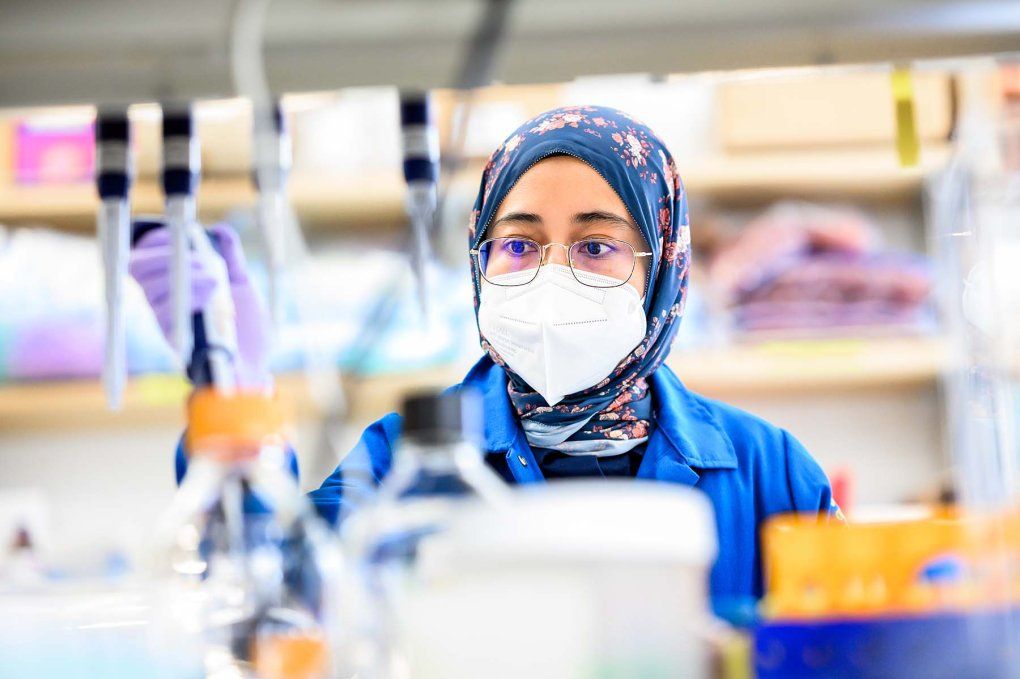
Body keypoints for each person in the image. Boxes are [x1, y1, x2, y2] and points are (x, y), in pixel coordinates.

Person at [131, 105, 838, 617]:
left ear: (663, 272)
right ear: (479, 264)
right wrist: (236, 393)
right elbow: (267, 599)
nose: (552, 274)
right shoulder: (399, 461)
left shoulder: (769, 472)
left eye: (596, 246)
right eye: (520, 245)